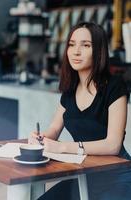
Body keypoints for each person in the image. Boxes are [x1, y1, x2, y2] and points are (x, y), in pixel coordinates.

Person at [29, 22, 131, 200]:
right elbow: (54, 128)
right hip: (84, 175)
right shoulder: (70, 89)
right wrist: (41, 138)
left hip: (117, 176)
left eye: (85, 45)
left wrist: (63, 147)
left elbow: (113, 144)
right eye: (71, 44)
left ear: (98, 51)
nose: (76, 51)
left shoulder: (115, 86)